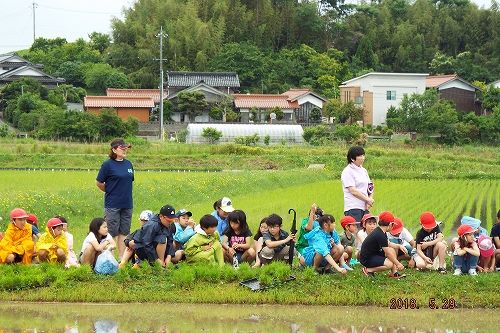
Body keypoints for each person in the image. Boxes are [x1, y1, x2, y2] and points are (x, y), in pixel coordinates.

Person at [96, 138, 134, 259]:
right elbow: (99, 182)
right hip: (112, 204)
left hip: (127, 203)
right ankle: (110, 258)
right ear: (114, 149)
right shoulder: (107, 165)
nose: (125, 150)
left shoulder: (128, 164)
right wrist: (110, 191)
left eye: (126, 148)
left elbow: (129, 181)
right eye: (122, 148)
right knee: (111, 232)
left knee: (124, 232)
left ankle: (122, 259)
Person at [359, 211, 405, 279]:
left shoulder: (381, 231)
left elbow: (388, 243)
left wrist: (398, 246)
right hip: (367, 258)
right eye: (393, 225)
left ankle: (394, 273)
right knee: (389, 264)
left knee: (391, 250)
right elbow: (388, 253)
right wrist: (398, 264)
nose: (393, 227)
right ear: (390, 224)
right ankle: (368, 270)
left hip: (374, 254)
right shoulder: (379, 234)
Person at [341, 146, 374, 223]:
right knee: (356, 232)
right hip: (353, 208)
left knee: (365, 233)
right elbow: (353, 191)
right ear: (352, 159)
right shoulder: (347, 171)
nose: (362, 158)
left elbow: (370, 186)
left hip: (365, 207)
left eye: (363, 155)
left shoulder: (363, 170)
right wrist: (367, 199)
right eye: (359, 156)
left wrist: (370, 199)